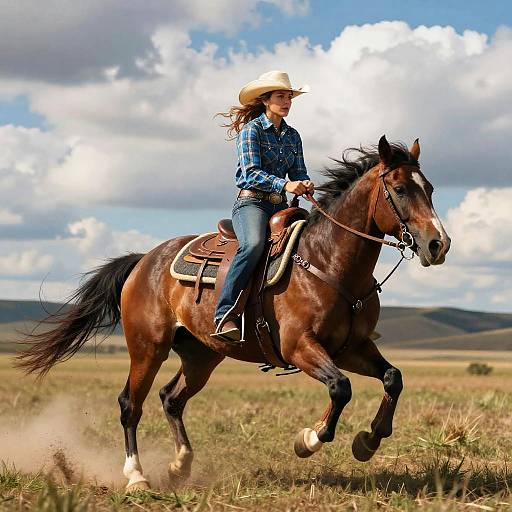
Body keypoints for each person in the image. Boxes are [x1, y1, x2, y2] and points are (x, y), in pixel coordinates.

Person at [211, 70, 314, 344]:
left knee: (316, 245)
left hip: (281, 207)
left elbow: (299, 171)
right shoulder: (251, 130)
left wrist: (304, 183)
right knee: (254, 245)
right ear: (266, 100)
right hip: (251, 203)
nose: (287, 101)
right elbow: (250, 173)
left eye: (289, 97)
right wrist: (285, 185)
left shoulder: (293, 136)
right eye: (281, 96)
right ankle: (225, 314)